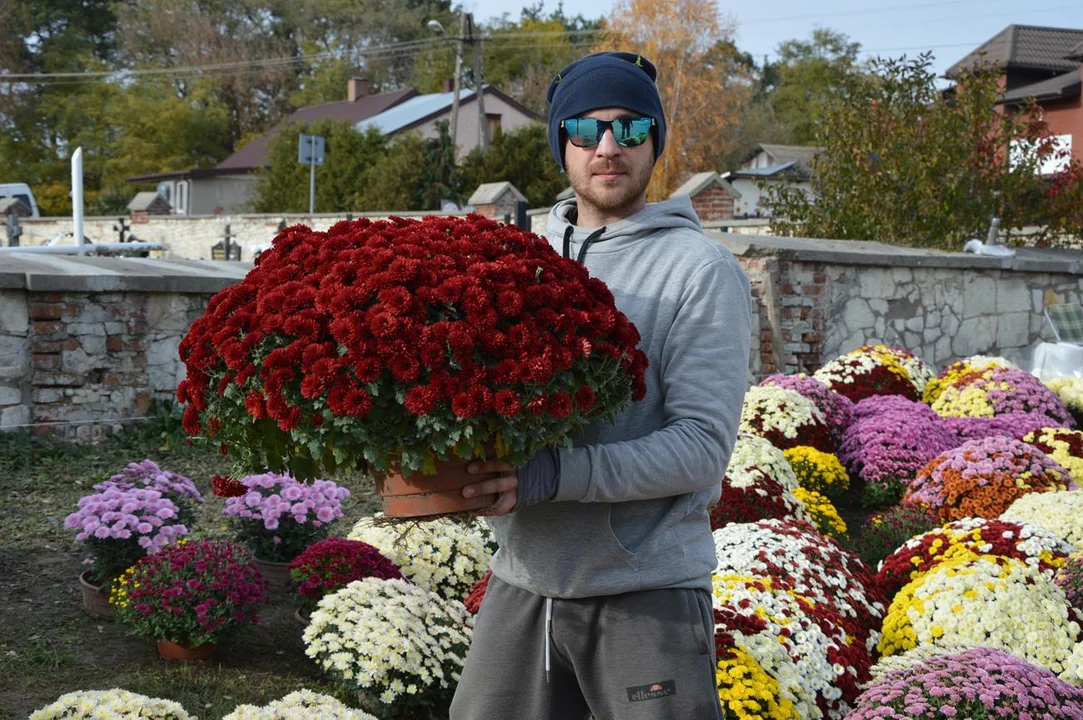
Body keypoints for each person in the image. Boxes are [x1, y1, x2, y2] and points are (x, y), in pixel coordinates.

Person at [450, 51, 752, 720]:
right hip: (523, 580)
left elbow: (702, 446)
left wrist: (550, 475)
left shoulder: (699, 271)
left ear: (655, 140)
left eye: (631, 128)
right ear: (562, 143)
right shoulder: (519, 259)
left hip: (644, 591)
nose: (608, 147)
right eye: (585, 130)